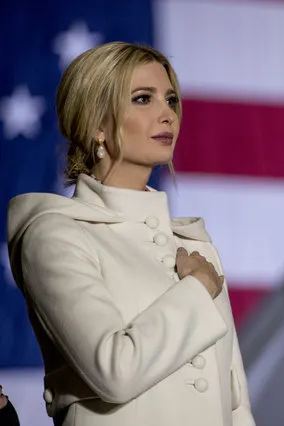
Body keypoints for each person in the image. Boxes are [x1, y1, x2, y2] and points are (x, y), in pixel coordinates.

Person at [6, 41, 255, 426]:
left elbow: (235, 401)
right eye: (143, 98)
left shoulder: (194, 246)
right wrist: (197, 290)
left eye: (171, 100)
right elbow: (113, 371)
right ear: (97, 125)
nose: (167, 114)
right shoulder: (55, 234)